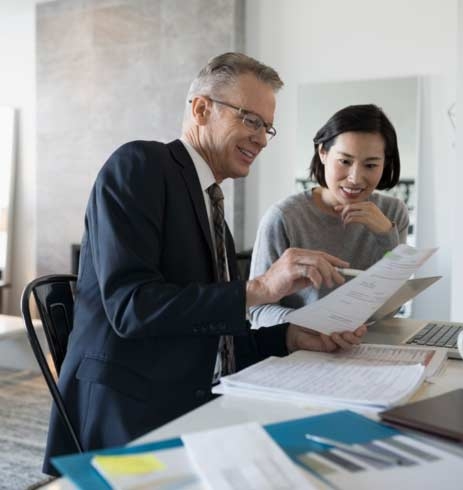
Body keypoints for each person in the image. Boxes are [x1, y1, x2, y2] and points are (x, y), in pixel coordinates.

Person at [43, 53, 366, 474]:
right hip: (127, 417)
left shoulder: (210, 205)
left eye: (267, 127)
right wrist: (260, 288)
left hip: (195, 401)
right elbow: (132, 307)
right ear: (201, 109)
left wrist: (292, 337)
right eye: (250, 120)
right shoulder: (141, 165)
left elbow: (215, 337)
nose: (263, 139)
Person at [249, 104, 409, 328]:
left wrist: (386, 236)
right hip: (304, 351)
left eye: (371, 165)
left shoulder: (392, 214)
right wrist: (313, 328)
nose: (355, 178)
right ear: (323, 153)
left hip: (371, 347)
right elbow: (257, 310)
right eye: (344, 161)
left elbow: (392, 308)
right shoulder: (283, 218)